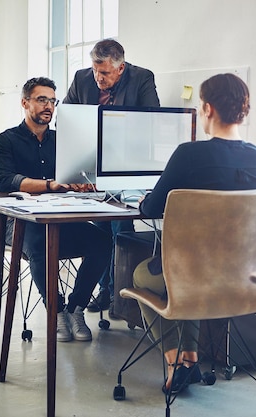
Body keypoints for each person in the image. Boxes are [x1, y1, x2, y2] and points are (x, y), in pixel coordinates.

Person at [133, 73, 256, 394]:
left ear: (207, 109)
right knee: (184, 278)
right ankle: (189, 359)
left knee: (147, 275)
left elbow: (153, 208)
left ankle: (176, 362)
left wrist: (141, 201)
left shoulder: (189, 154)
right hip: (241, 276)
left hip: (191, 275)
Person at [0, 77, 112, 343]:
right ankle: (56, 311)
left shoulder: (63, 139)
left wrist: (84, 184)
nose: (49, 106)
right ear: (25, 103)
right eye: (42, 99)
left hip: (62, 217)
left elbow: (79, 173)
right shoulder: (6, 140)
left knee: (102, 240)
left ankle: (76, 308)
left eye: (53, 101)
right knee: (40, 241)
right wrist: (51, 185)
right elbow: (5, 181)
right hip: (21, 223)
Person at [63, 38, 160, 315]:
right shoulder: (81, 79)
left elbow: (151, 121)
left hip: (127, 165)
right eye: (95, 70)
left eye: (104, 72)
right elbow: (66, 118)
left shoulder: (141, 78)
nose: (97, 77)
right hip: (92, 164)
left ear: (120, 68)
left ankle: (117, 294)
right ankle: (106, 290)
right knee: (101, 227)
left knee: (120, 225)